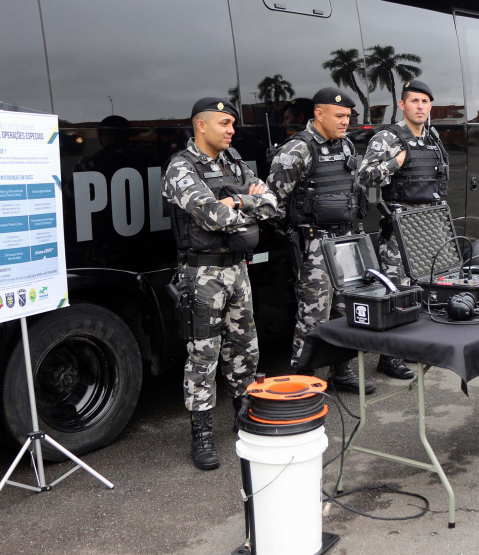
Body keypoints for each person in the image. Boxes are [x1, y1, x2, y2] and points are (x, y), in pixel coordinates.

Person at [162, 97, 279, 470]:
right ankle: (202, 433)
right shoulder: (181, 167)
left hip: (238, 270)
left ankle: (244, 412)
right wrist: (245, 205)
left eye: (232, 124)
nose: (231, 130)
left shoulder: (234, 162)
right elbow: (212, 215)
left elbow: (273, 204)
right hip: (203, 275)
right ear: (201, 125)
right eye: (224, 123)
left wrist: (238, 202)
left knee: (245, 346)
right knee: (204, 354)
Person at [267, 87, 377, 394]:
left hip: (346, 242)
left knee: (345, 310)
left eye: (348, 117)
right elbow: (272, 202)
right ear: (319, 114)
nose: (345, 122)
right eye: (339, 116)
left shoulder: (345, 146)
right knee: (313, 316)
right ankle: (304, 379)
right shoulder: (297, 150)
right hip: (315, 244)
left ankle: (341, 372)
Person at [358, 80, 451, 380]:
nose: (420, 107)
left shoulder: (432, 137)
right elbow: (365, 177)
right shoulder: (388, 139)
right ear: (402, 105)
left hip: (428, 224)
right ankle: (389, 357)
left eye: (425, 101)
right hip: (400, 224)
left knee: (426, 288)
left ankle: (417, 347)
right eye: (414, 101)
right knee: (395, 292)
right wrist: (396, 163)